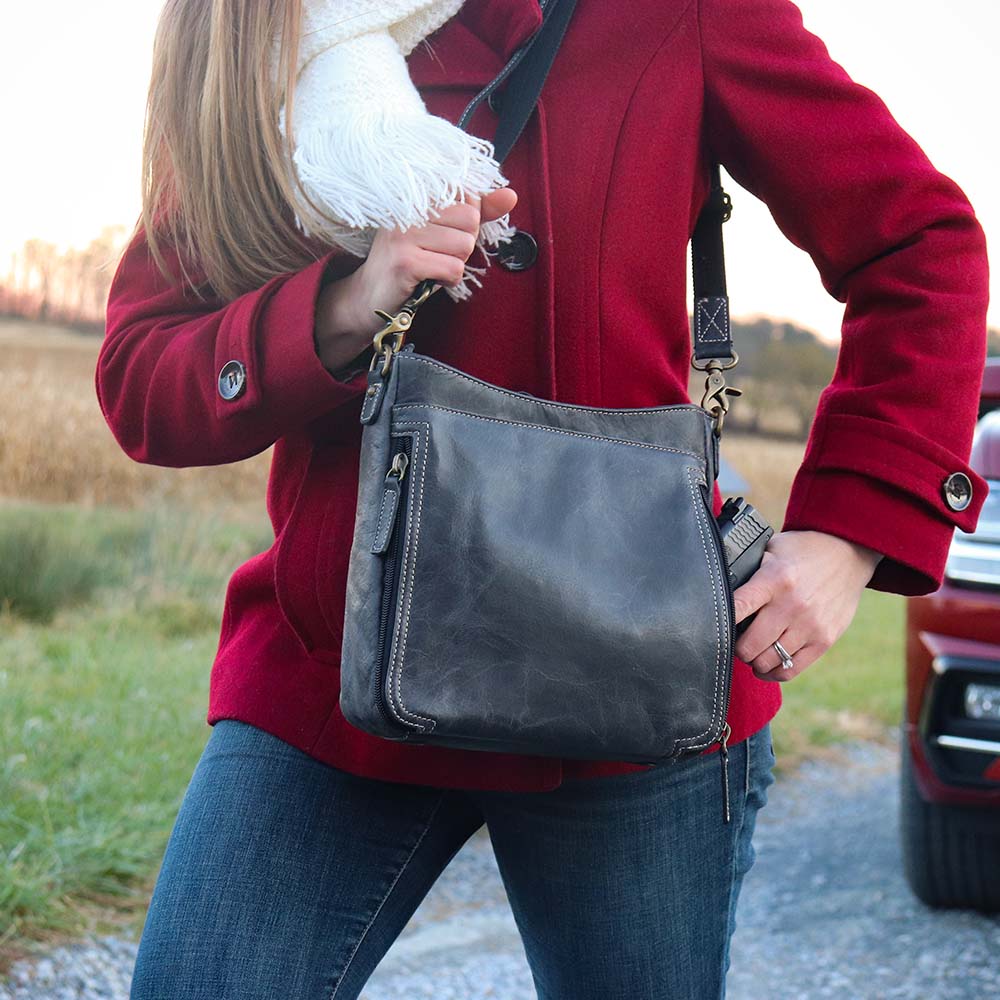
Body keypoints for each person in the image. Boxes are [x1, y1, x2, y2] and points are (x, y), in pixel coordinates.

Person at [99, 1, 989, 997]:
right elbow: (145, 375)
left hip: (636, 691)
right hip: (335, 677)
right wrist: (349, 301)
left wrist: (847, 536)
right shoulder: (272, 29)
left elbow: (922, 242)